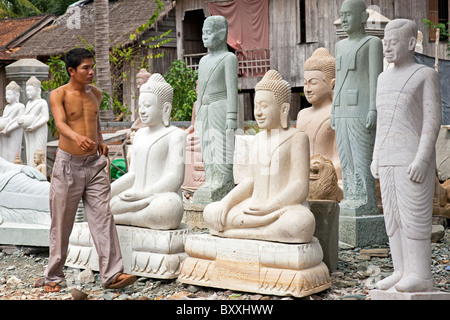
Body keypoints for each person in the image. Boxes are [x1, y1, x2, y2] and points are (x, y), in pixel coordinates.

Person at [34, 48, 136, 293]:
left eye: (93, 67)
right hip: (68, 165)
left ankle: (112, 275)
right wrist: (77, 138)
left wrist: (100, 140)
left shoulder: (96, 94)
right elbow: (60, 123)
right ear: (72, 71)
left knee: (103, 217)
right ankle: (53, 277)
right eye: (86, 68)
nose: (91, 72)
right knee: (62, 222)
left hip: (95, 165)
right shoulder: (58, 94)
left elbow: (94, 120)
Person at [203, 70, 315, 243]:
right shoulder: (257, 139)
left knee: (300, 224)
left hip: (283, 209)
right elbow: (250, 181)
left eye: (264, 106)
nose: (259, 112)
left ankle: (241, 234)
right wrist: (225, 203)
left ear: (283, 109)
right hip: (253, 207)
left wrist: (272, 206)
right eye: (256, 106)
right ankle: (264, 232)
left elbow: (299, 185)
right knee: (211, 212)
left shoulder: (297, 137)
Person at [371, 19, 441, 292]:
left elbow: (432, 121)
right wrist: (376, 156)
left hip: (412, 157)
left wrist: (423, 158)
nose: (387, 48)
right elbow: (382, 120)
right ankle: (400, 269)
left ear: (411, 43)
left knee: (414, 218)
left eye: (393, 42)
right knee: (393, 219)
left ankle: (421, 274)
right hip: (387, 156)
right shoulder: (382, 78)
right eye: (384, 43)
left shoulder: (425, 75)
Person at [110, 73, 186, 230]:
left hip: (158, 197)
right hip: (134, 197)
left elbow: (175, 177)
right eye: (141, 106)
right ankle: (133, 218)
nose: (142, 111)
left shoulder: (176, 135)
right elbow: (133, 175)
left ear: (165, 108)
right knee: (107, 202)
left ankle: (123, 218)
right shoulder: (139, 135)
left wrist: (145, 195)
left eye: (148, 106)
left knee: (168, 208)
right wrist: (107, 191)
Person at [330, 0, 383, 213]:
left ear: (362, 17)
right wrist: (333, 109)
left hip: (361, 109)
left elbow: (375, 79)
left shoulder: (372, 43)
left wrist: (373, 108)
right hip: (342, 108)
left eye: (348, 14)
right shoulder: (339, 46)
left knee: (362, 155)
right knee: (346, 156)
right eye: (341, 15)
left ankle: (366, 200)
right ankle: (351, 195)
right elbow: (338, 79)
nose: (343, 19)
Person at [193, 15, 238, 204]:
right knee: (207, 146)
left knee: (221, 146)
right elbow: (200, 90)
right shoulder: (203, 61)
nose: (205, 37)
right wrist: (197, 115)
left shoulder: (229, 58)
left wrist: (232, 117)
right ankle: (210, 179)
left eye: (209, 33)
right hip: (205, 108)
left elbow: (231, 90)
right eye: (203, 33)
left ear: (221, 34)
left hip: (221, 106)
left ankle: (223, 180)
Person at [297, 47, 341, 182]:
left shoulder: (337, 114)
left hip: (325, 177)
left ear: (332, 84)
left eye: (313, 83)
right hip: (301, 176)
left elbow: (340, 159)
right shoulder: (302, 114)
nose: (308, 89)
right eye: (305, 83)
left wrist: (323, 173)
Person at [17, 76, 49, 166]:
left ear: (38, 90)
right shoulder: (28, 103)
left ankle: (39, 171)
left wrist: (34, 126)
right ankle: (31, 168)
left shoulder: (42, 102)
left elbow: (45, 117)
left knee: (38, 151)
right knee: (30, 151)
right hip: (29, 131)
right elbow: (26, 115)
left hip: (38, 129)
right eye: (27, 90)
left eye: (30, 90)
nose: (28, 93)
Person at [0, 81, 25, 163]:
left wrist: (8, 129)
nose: (7, 97)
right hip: (4, 134)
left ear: (17, 95)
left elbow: (19, 121)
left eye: (9, 95)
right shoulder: (7, 107)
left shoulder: (20, 106)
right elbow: (5, 118)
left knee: (13, 153)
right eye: (6, 95)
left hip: (13, 133)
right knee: (4, 153)